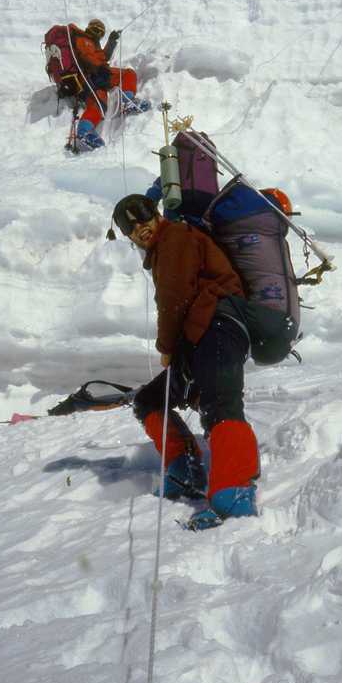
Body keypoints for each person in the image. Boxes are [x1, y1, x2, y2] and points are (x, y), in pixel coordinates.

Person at [108, 193, 260, 530]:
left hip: (219, 324)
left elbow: (174, 297)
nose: (138, 226)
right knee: (150, 400)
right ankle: (185, 471)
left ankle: (233, 496)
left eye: (143, 214)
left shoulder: (175, 237)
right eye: (127, 224)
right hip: (198, 336)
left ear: (157, 213)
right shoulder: (164, 248)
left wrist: (165, 348)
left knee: (221, 405)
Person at [72, 19, 150, 151]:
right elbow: (85, 56)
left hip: (95, 78)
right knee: (128, 74)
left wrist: (111, 41)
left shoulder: (93, 44)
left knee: (99, 106)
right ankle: (127, 101)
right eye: (95, 29)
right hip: (91, 76)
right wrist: (98, 68)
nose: (97, 33)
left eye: (100, 32)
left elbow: (103, 56)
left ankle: (85, 131)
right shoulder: (83, 39)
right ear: (89, 28)